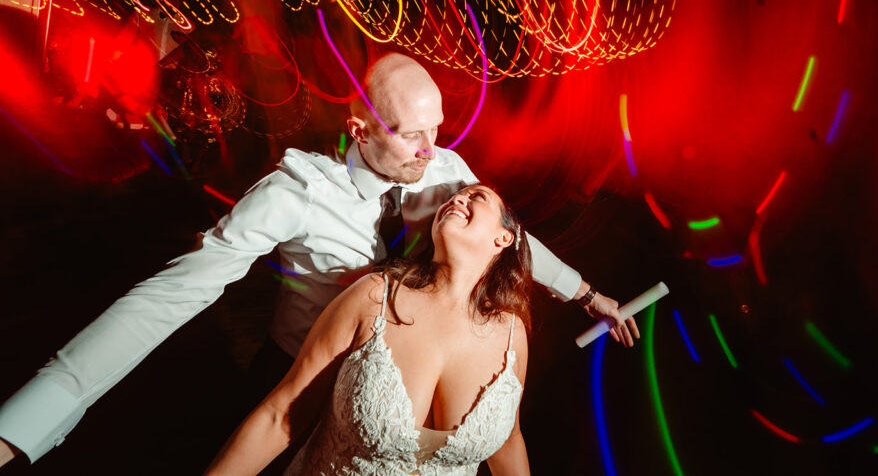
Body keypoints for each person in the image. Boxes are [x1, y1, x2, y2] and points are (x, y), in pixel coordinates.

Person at [0, 53, 639, 467]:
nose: (431, 150)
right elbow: (169, 297)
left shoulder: (444, 175)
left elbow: (512, 238)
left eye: (437, 129)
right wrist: (26, 422)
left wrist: (585, 294)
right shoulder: (295, 195)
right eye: (410, 133)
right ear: (360, 128)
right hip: (298, 381)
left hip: (400, 382)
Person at [207, 184, 532, 475]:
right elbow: (281, 415)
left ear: (504, 237)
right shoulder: (375, 297)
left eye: (477, 196)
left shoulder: (510, 336)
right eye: (453, 196)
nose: (458, 198)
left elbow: (508, 442)